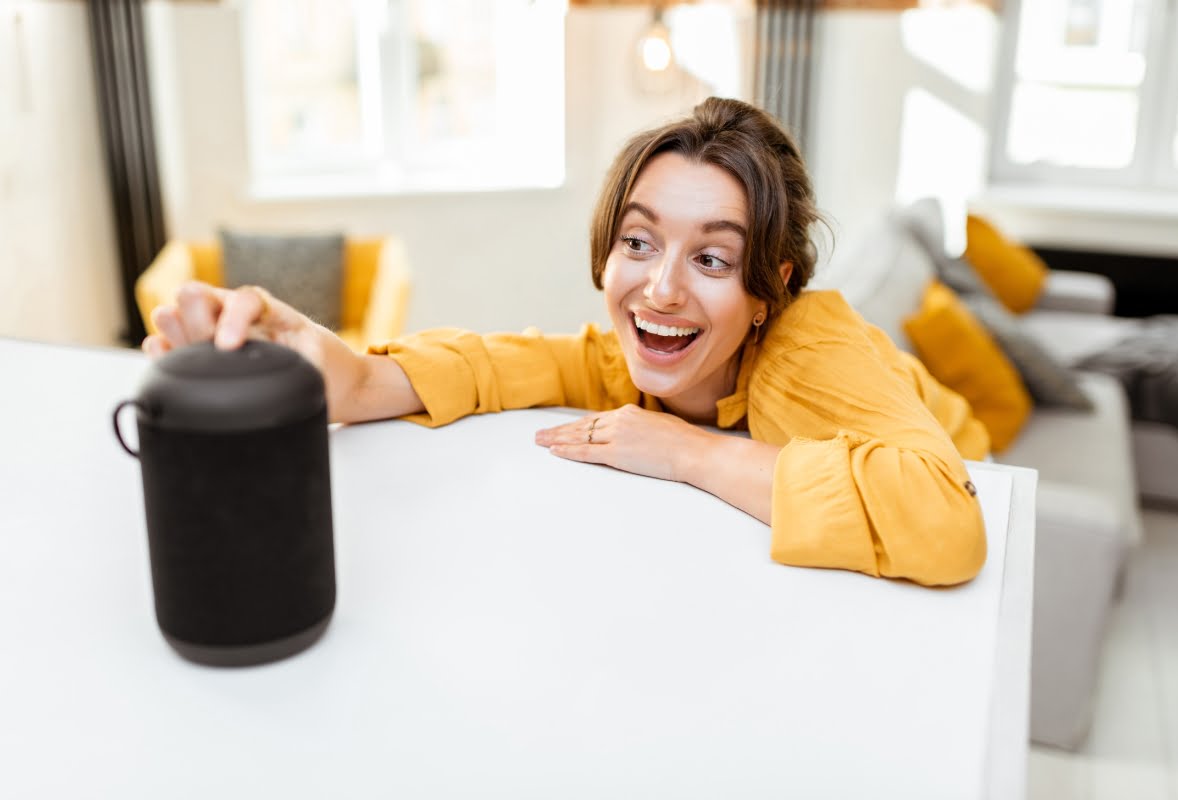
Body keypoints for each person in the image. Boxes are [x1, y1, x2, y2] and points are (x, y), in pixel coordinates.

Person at [144, 97, 989, 586]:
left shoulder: (807, 346)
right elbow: (511, 362)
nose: (660, 288)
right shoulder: (639, 358)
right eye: (639, 241)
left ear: (768, 288)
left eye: (712, 258)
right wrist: (353, 378)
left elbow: (947, 518)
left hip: (978, 461)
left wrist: (685, 451)